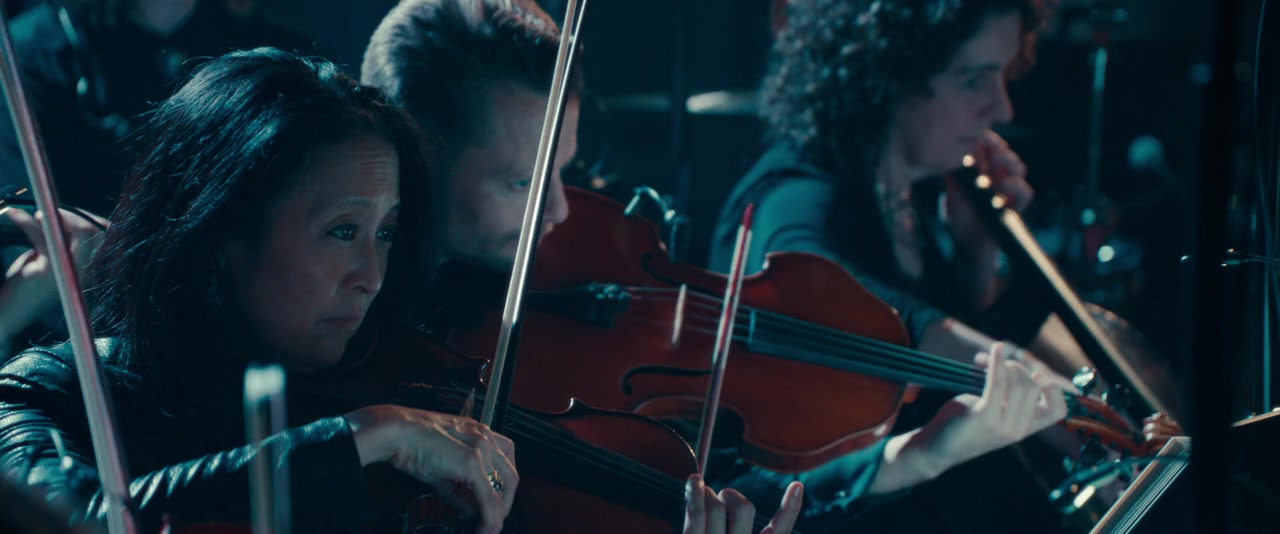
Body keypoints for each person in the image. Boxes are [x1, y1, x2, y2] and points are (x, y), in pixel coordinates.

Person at [363, 0, 1069, 531]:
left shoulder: (562, 301)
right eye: (522, 182)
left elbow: (716, 491)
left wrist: (921, 453)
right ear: (415, 165)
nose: (561, 211)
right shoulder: (355, 354)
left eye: (563, 171)